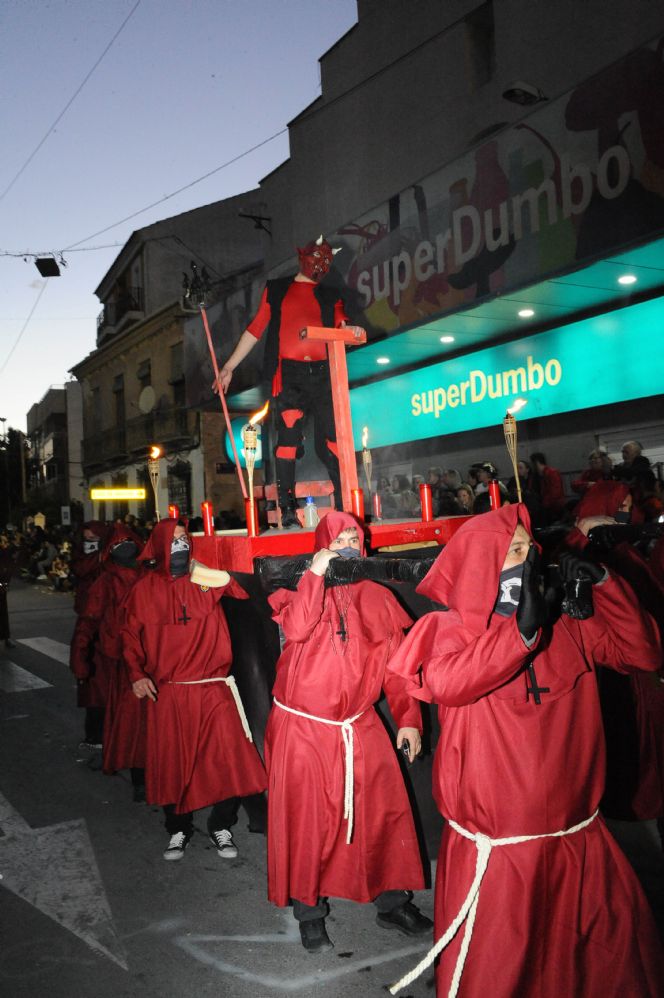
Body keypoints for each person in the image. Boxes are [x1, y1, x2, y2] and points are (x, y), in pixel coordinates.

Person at [387, 503, 663, 997]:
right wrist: (519, 635)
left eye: (529, 546)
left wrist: (605, 584)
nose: (532, 554)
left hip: (575, 838)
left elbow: (642, 652)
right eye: (516, 548)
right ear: (482, 561)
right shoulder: (447, 629)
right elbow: (450, 682)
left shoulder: (568, 623)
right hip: (501, 856)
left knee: (594, 972)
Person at [264, 511, 432, 953]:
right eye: (339, 536)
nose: (349, 542)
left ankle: (392, 902)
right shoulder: (295, 590)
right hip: (303, 729)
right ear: (322, 543)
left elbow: (398, 669)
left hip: (358, 724)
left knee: (381, 814)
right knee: (307, 823)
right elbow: (298, 628)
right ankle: (309, 911)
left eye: (355, 535)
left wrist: (409, 719)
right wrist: (316, 572)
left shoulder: (377, 596)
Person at [122, 519, 267, 860]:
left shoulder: (204, 580)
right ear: (158, 547)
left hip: (213, 688)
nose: (181, 545)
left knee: (228, 762)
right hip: (170, 691)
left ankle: (221, 824)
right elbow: (129, 637)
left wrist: (206, 570)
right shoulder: (143, 590)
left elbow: (240, 591)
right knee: (173, 765)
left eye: (184, 539)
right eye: (173, 541)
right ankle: (178, 829)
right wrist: (136, 674)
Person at [216, 236, 364, 528]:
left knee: (332, 442)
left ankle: (348, 505)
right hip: (289, 376)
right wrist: (229, 366)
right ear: (304, 256)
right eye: (317, 259)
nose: (320, 265)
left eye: (326, 261)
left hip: (324, 375)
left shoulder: (330, 294)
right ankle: (286, 506)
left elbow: (341, 325)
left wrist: (352, 330)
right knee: (288, 441)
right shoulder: (277, 288)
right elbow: (256, 328)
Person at [528, 451, 566, 523]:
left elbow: (555, 493)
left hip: (554, 508)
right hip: (550, 507)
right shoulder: (542, 475)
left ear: (536, 463)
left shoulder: (551, 473)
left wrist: (544, 504)